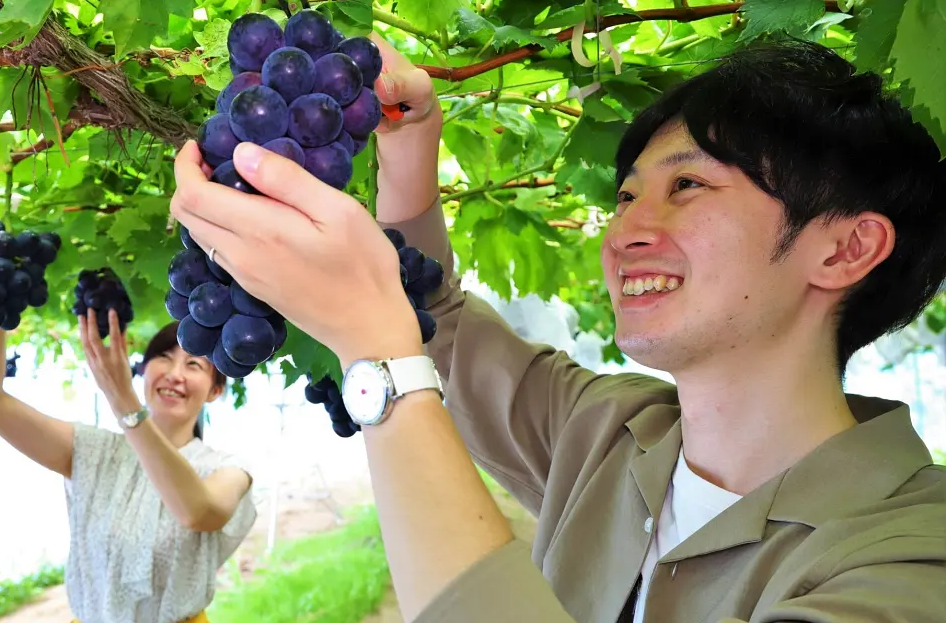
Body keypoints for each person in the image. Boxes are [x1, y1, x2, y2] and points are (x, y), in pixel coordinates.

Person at [169, 38, 946, 622]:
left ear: (845, 249)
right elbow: (436, 325)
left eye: (687, 185)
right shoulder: (608, 431)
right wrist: (407, 144)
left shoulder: (912, 560)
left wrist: (376, 356)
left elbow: (398, 335)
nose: (625, 233)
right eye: (627, 198)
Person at [0, 309, 256, 623]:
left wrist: (123, 402)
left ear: (215, 390)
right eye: (163, 357)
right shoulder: (94, 451)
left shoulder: (228, 469)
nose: (175, 374)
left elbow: (197, 512)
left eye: (193, 364)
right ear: (145, 370)